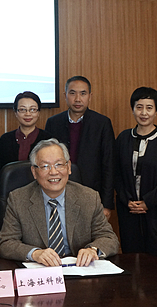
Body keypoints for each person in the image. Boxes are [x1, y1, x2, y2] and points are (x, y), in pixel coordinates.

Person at [0, 138, 119, 266]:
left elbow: (109, 238)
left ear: (69, 167)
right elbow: (6, 244)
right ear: (34, 172)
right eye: (45, 166)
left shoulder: (89, 197)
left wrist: (93, 250)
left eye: (59, 164)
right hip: (40, 271)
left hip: (78, 269)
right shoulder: (18, 199)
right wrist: (34, 253)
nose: (53, 172)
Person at [114, 87, 157, 260]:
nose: (144, 113)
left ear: (156, 110)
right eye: (139, 107)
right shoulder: (123, 138)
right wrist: (127, 200)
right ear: (133, 109)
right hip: (129, 212)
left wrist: (147, 202)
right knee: (131, 260)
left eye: (149, 108)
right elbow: (116, 174)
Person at [45, 75, 115, 218]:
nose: (78, 99)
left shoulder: (102, 123)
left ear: (90, 96)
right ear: (65, 96)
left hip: (91, 193)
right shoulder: (53, 123)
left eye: (83, 93)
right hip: (59, 192)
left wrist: (107, 204)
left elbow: (109, 165)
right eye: (72, 93)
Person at [0, 91, 53, 167]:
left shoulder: (48, 140)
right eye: (23, 109)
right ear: (16, 113)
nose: (28, 114)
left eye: (32, 109)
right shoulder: (5, 140)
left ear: (38, 112)